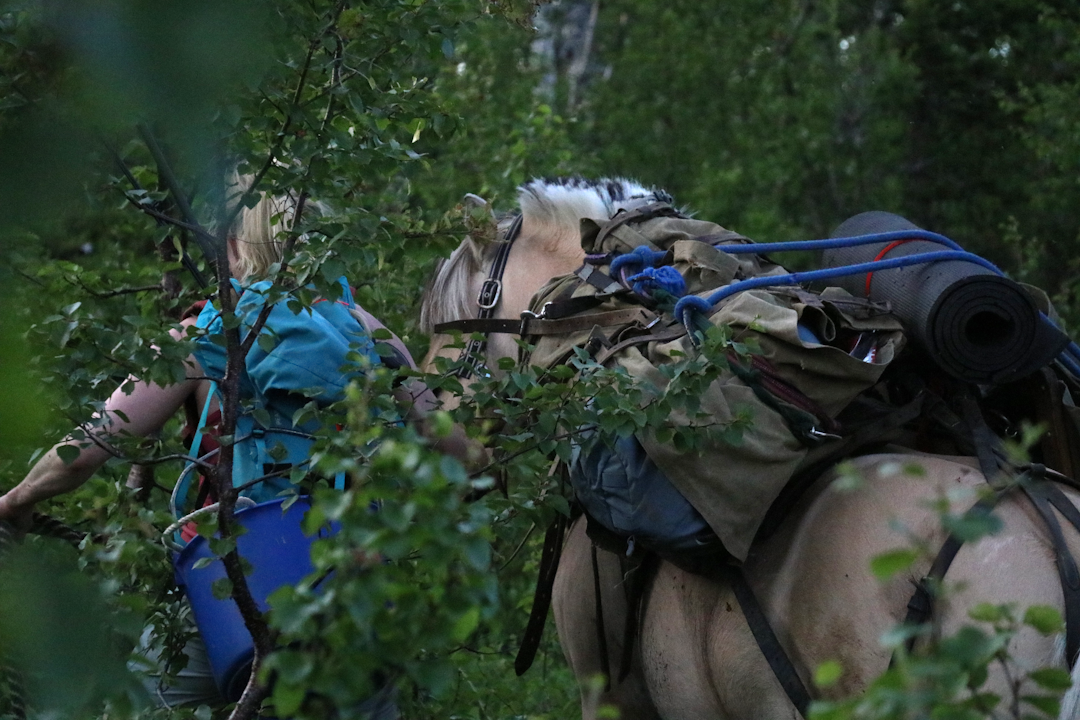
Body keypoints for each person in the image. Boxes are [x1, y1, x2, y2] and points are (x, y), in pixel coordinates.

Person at [0, 178, 476, 711]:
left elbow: (87, 448)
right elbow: (454, 451)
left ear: (231, 244)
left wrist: (16, 500)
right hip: (355, 583)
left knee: (140, 707)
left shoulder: (207, 335)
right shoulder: (369, 333)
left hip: (241, 586)